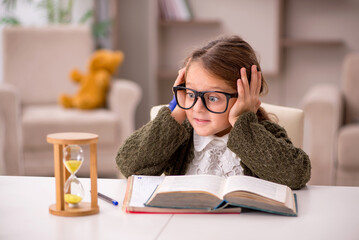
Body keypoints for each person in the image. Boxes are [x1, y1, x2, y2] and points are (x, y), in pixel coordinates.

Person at [116, 35, 311, 190]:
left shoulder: (263, 133)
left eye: (213, 98)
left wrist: (242, 123)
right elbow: (129, 165)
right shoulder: (179, 135)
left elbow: (296, 175)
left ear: (246, 96)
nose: (197, 108)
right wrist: (175, 113)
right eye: (191, 94)